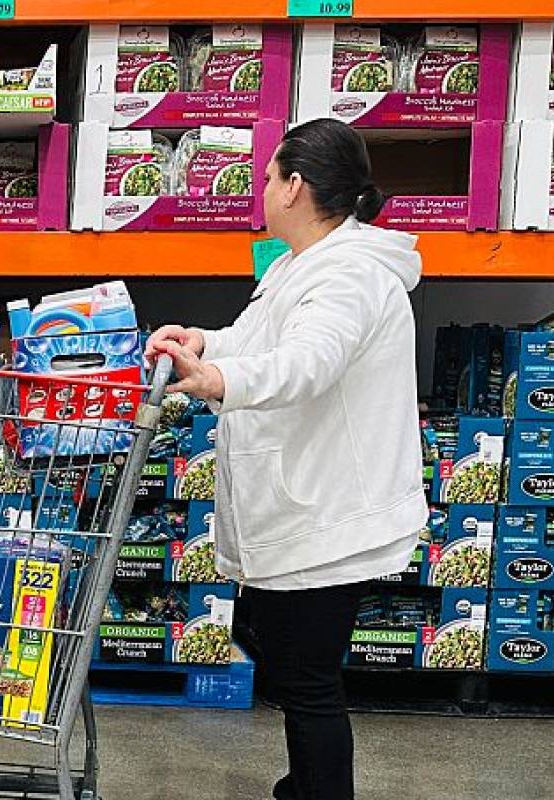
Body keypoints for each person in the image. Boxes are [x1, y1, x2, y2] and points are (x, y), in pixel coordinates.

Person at [144, 118, 426, 800]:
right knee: (288, 660)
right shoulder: (307, 263)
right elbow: (261, 337)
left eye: (269, 177)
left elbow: (308, 362)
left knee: (307, 681)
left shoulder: (350, 274)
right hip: (305, 510)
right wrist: (205, 343)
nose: (262, 189)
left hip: (327, 516)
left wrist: (217, 382)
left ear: (296, 186)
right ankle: (305, 786)